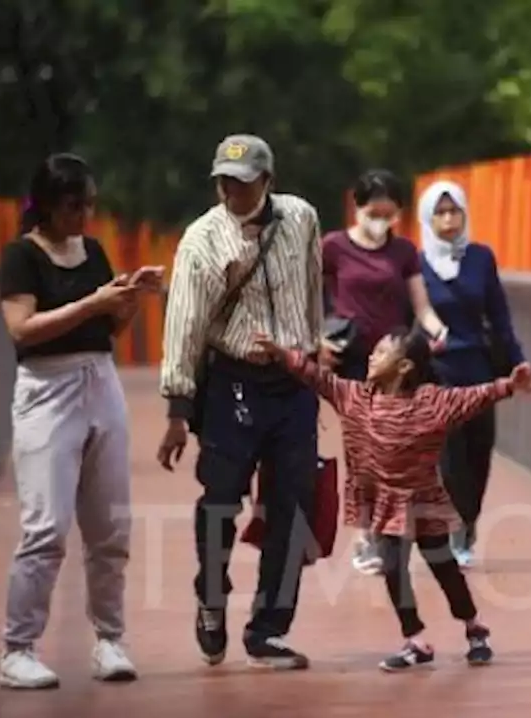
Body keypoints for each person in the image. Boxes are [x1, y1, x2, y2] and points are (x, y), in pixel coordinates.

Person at [252, 327, 531, 671]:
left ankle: (474, 628)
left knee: (443, 566)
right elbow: (314, 375)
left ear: (404, 367)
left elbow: (474, 396)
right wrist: (279, 352)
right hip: (383, 504)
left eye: (382, 353)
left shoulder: (433, 403)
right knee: (392, 567)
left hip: (423, 501)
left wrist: (509, 385)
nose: (372, 356)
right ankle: (415, 639)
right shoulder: (354, 397)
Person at [0, 152, 164, 689]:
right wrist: (94, 302)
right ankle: (18, 647)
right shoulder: (20, 256)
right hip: (47, 389)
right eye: (73, 205)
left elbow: (107, 326)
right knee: (46, 527)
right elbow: (22, 330)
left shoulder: (91, 250)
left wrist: (129, 297)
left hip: (99, 380)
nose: (83, 215)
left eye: (89, 204)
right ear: (45, 205)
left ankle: (111, 639)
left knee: (110, 524)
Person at [157, 133, 325, 670]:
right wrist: (178, 412)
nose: (232, 191)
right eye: (225, 182)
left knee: (292, 506)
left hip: (292, 382)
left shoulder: (300, 218)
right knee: (221, 497)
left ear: (267, 181)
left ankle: (268, 629)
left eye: (244, 183)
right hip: (233, 382)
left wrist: (314, 355)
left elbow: (313, 284)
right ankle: (211, 595)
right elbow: (184, 322)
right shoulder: (202, 239)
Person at [321, 169, 448, 575]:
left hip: (393, 363)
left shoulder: (404, 252)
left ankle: (386, 528)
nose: (381, 221)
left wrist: (436, 329)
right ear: (356, 207)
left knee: (393, 447)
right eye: (374, 212)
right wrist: (316, 337)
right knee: (362, 448)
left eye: (389, 214)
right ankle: (364, 537)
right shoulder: (333, 248)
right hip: (353, 360)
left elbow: (421, 306)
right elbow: (309, 297)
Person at [418, 180, 527, 569]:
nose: (448, 219)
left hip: (479, 370)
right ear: (427, 218)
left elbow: (499, 314)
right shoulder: (417, 263)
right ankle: (445, 530)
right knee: (448, 455)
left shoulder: (480, 258)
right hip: (438, 371)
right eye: (440, 212)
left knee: (479, 451)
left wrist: (517, 362)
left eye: (455, 211)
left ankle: (466, 527)